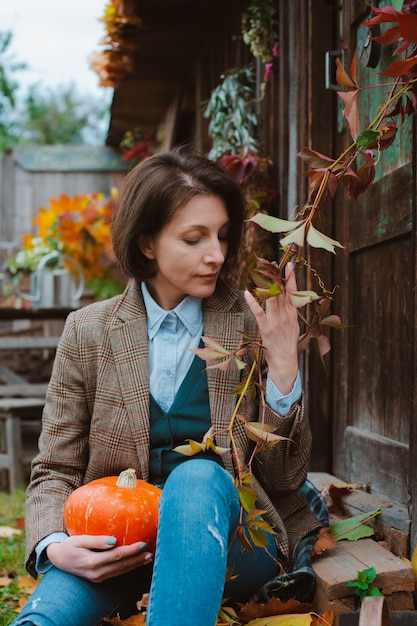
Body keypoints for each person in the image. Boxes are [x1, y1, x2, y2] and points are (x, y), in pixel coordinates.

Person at [13, 147, 327, 626]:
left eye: (222, 236)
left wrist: (283, 365)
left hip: (234, 544)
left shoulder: (250, 325)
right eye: (194, 238)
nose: (217, 255)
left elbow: (284, 480)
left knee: (197, 477)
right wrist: (56, 546)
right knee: (43, 622)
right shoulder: (88, 332)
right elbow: (54, 467)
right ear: (146, 244)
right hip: (118, 545)